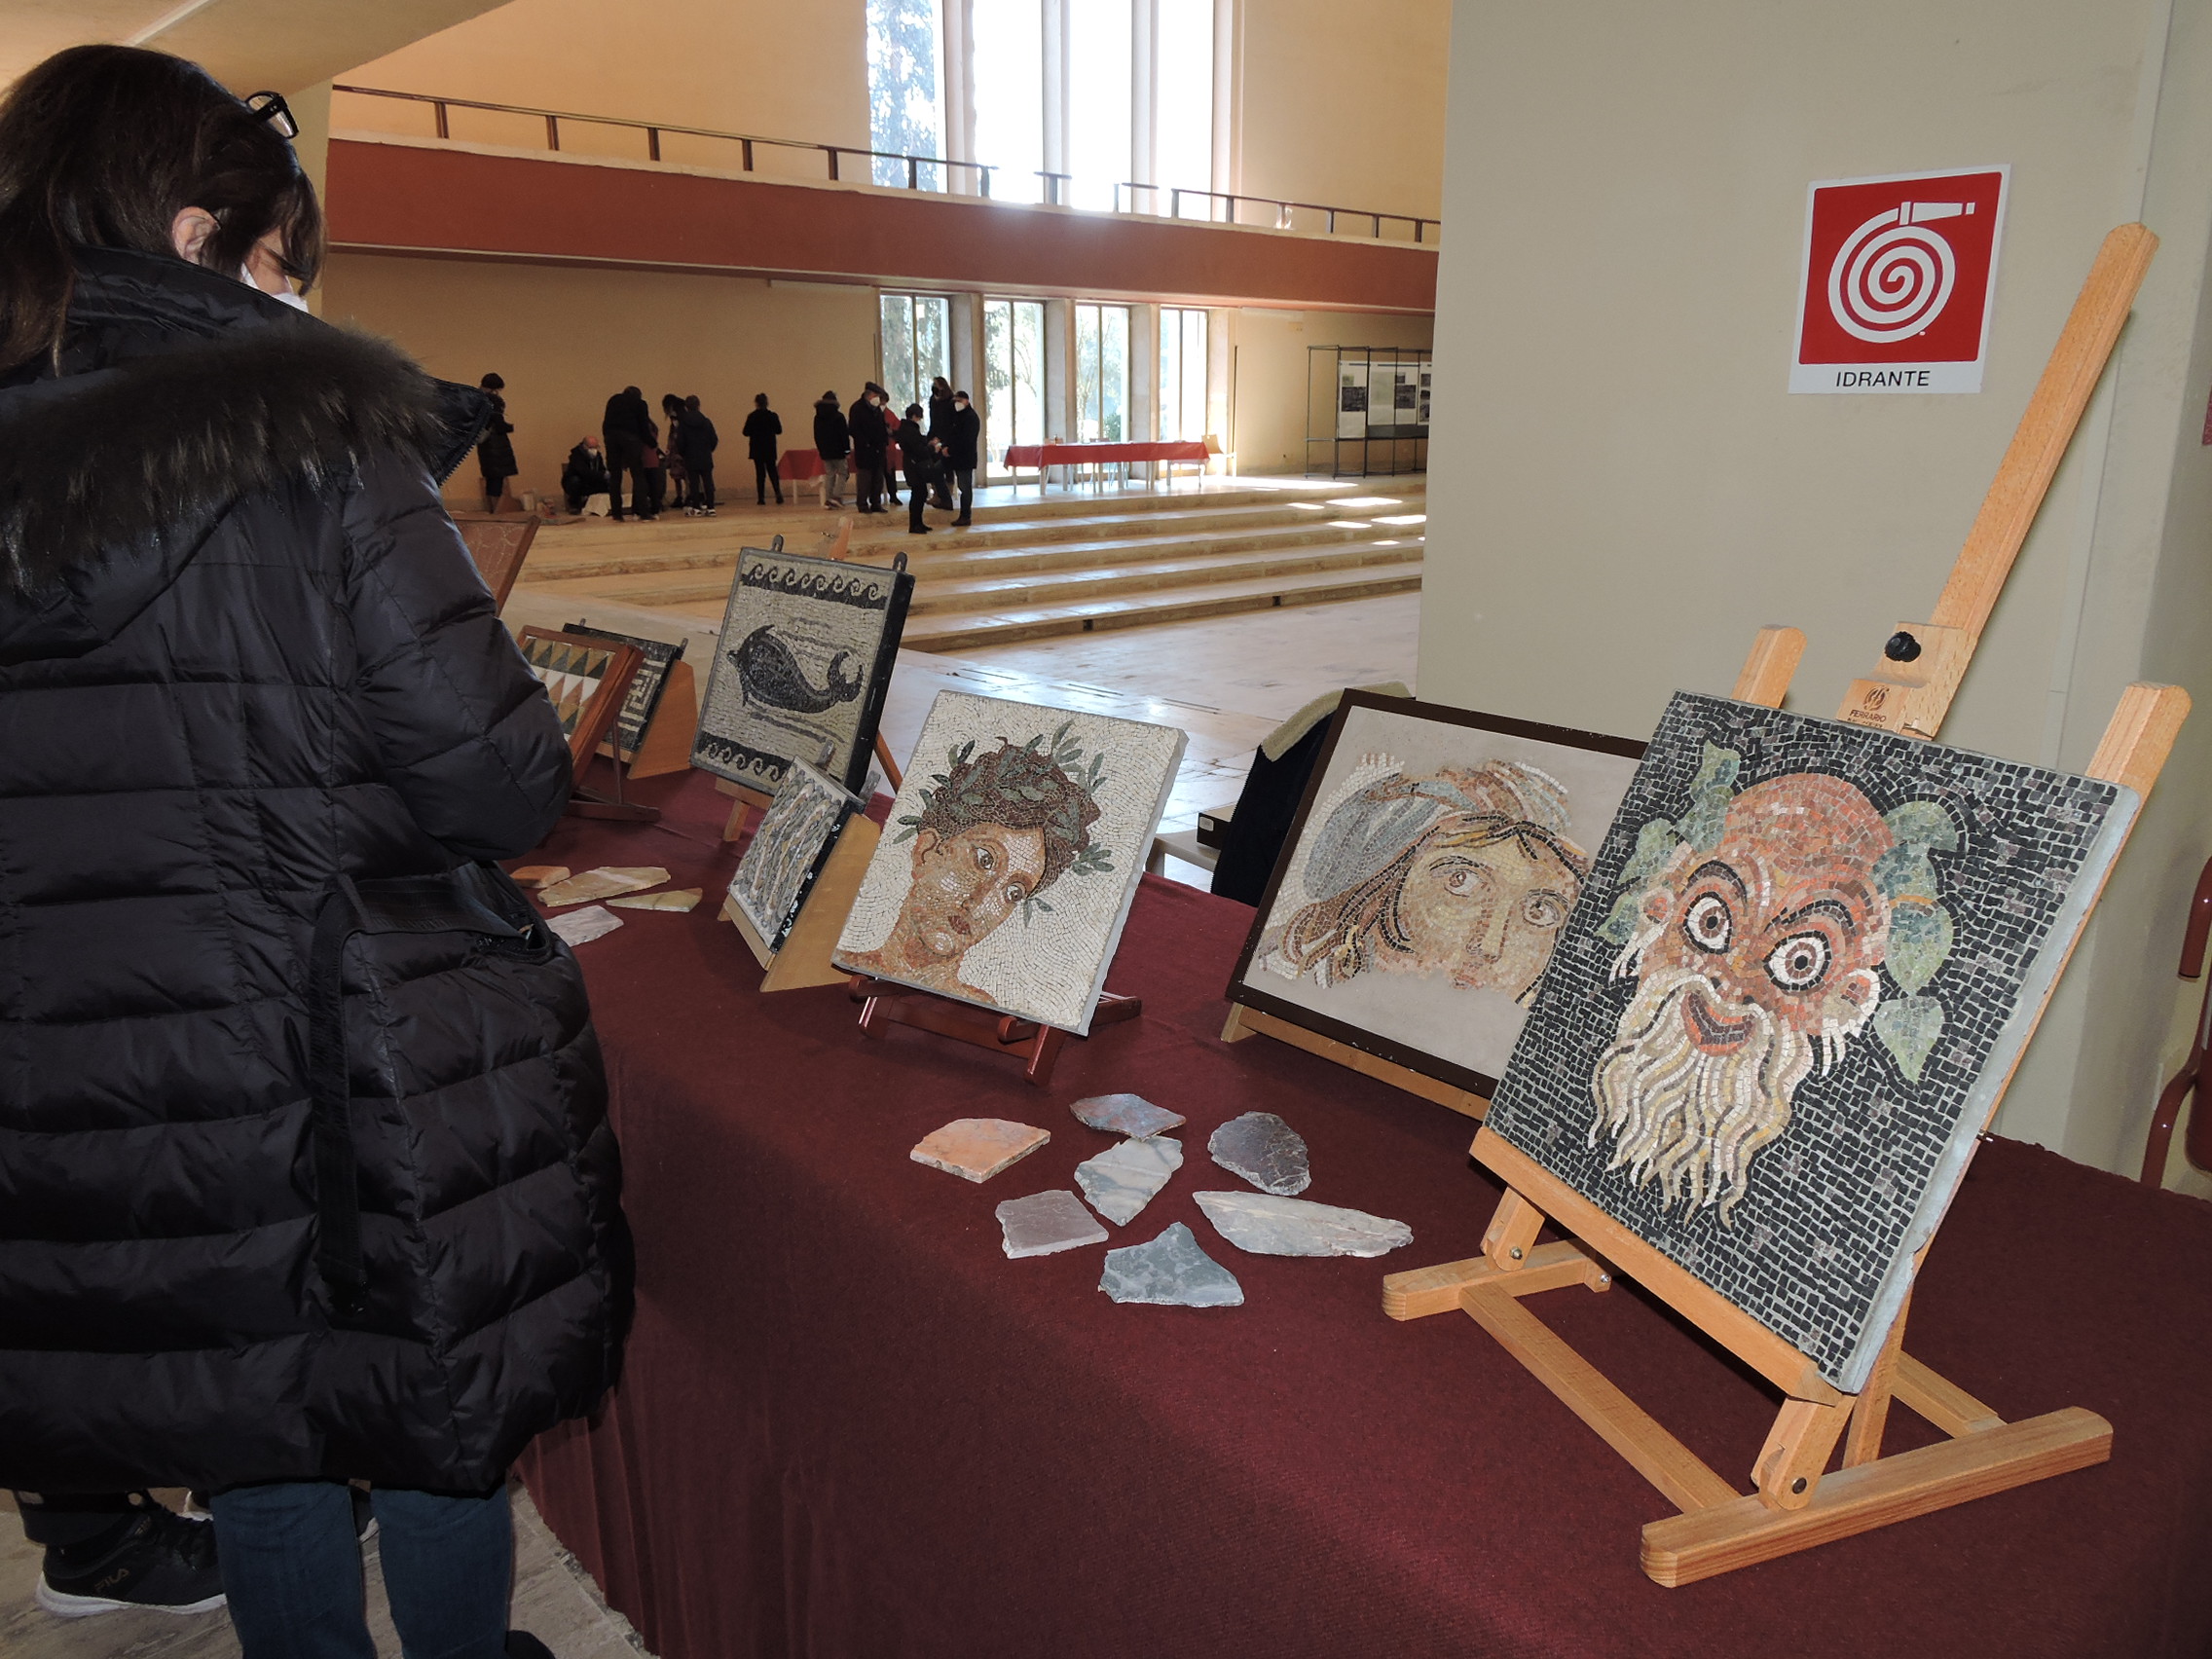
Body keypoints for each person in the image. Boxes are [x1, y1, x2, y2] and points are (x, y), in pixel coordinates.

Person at [0, 45, 632, 1659]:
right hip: (339, 1041)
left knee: (253, 1411)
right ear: (202, 230)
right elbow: (495, 776)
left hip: (93, 1070)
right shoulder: (317, 434)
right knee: (417, 1397)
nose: (297, 297)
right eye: (286, 261)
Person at [839, 731, 1111, 998]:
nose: (980, 903)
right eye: (985, 860)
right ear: (927, 850)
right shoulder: (837, 969)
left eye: (1013, 892)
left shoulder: (986, 1006)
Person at [601, 383, 656, 521]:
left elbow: (605, 422)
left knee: (615, 476)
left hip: (610, 436)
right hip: (631, 438)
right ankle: (643, 512)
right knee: (638, 474)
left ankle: (617, 514)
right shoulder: (640, 403)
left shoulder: (613, 400)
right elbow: (643, 426)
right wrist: (652, 443)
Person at [895, 401, 941, 535]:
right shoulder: (910, 430)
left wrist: (928, 442)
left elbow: (918, 442)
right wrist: (932, 447)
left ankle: (918, 522)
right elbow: (918, 449)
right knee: (918, 494)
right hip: (914, 466)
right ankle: (914, 525)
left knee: (920, 494)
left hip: (912, 465)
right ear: (915, 415)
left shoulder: (907, 428)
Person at [476, 372, 516, 509]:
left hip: (484, 444)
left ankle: (493, 509)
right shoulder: (494, 401)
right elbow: (499, 424)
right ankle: (499, 510)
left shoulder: (475, 398)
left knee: (491, 479)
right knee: (497, 479)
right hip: (496, 445)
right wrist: (511, 427)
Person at [942, 387, 980, 527]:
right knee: (938, 472)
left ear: (966, 401)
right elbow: (952, 434)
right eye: (955, 401)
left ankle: (965, 515)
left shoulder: (971, 417)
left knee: (965, 487)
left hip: (965, 458)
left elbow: (966, 440)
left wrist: (950, 449)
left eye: (959, 401)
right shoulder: (957, 415)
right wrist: (945, 446)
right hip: (956, 457)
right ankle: (945, 500)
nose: (956, 403)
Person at [849, 384, 888, 514]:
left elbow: (882, 427)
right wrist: (865, 442)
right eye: (876, 396)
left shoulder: (876, 409)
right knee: (865, 478)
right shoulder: (857, 408)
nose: (877, 399)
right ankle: (862, 504)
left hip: (879, 449)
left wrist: (884, 442)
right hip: (865, 450)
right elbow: (854, 429)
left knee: (878, 478)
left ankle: (876, 503)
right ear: (869, 395)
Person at [679, 393, 719, 515]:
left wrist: (684, 453)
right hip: (705, 455)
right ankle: (711, 507)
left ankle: (696, 507)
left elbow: (680, 441)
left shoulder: (683, 423)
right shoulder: (706, 422)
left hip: (690, 456)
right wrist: (708, 450)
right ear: (698, 406)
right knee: (708, 482)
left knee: (693, 483)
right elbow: (714, 439)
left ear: (686, 407)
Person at [743, 391, 783, 504]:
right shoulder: (772, 416)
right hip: (770, 447)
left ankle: (761, 498)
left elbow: (745, 432)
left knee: (760, 474)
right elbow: (779, 430)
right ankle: (778, 494)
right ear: (767, 403)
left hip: (757, 448)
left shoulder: (752, 416)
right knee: (773, 472)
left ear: (756, 403)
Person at [813, 389, 850, 508]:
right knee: (844, 473)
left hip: (825, 451)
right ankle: (837, 496)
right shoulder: (839, 416)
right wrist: (847, 450)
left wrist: (820, 449)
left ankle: (828, 499)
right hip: (838, 450)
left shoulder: (817, 417)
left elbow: (816, 435)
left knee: (830, 475)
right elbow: (844, 435)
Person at [925, 375, 955, 508]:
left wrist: (941, 439)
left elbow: (949, 424)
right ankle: (936, 494)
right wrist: (931, 438)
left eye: (936, 385)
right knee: (932, 465)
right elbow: (933, 421)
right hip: (934, 435)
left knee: (946, 466)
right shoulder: (933, 400)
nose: (934, 388)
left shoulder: (950, 401)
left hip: (946, 438)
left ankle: (947, 494)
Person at [561, 434, 608, 514]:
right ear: (584, 446)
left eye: (596, 447)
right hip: (579, 481)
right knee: (575, 481)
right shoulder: (576, 456)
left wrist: (604, 475)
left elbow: (601, 469)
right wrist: (600, 475)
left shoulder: (597, 456)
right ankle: (574, 505)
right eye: (591, 447)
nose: (594, 450)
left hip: (592, 480)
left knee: (607, 481)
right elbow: (583, 472)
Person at [659, 393, 689, 512]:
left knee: (681, 474)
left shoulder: (678, 416)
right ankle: (684, 495)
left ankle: (683, 496)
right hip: (678, 448)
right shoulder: (679, 415)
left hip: (679, 449)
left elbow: (676, 434)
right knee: (680, 474)